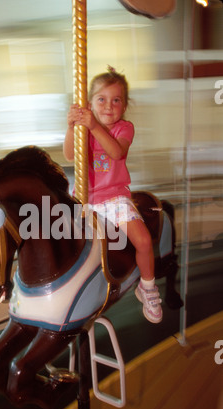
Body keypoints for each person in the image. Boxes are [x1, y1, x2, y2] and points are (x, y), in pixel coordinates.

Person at [63, 66, 162, 324]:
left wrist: (93, 125)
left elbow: (117, 152)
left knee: (142, 240)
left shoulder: (123, 129)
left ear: (125, 105)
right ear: (89, 103)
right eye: (101, 100)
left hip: (114, 199)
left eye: (116, 100)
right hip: (83, 200)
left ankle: (148, 287)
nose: (109, 106)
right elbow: (70, 155)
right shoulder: (85, 128)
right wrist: (72, 126)